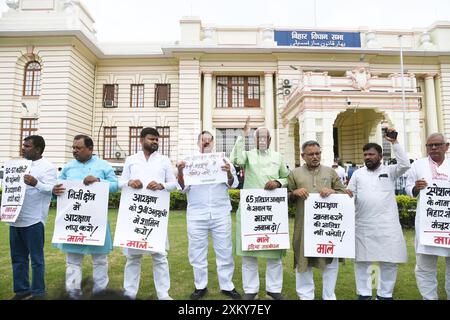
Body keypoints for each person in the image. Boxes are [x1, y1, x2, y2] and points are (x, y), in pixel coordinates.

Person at [230, 117, 290, 300]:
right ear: (255, 140)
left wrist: (278, 182)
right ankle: (251, 290)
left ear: (270, 140)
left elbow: (288, 178)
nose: (262, 140)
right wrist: (244, 135)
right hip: (251, 211)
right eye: (258, 137)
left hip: (272, 213)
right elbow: (235, 159)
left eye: (265, 137)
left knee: (274, 253)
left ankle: (273, 290)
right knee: (249, 253)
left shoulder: (278, 157)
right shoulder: (248, 155)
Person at [176, 131, 241, 300]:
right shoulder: (189, 162)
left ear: (213, 143)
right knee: (197, 251)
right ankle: (200, 286)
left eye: (209, 141)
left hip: (220, 213)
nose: (206, 143)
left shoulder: (224, 160)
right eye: (203, 140)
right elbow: (182, 188)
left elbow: (233, 184)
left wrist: (228, 172)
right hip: (197, 214)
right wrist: (181, 172)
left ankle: (227, 286)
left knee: (225, 250)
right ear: (198, 143)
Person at [346, 129, 410, 300]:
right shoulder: (357, 174)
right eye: (365, 154)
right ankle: (365, 295)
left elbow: (405, 164)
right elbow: (349, 195)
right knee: (363, 262)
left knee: (388, 261)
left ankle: (385, 295)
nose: (368, 157)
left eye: (371, 154)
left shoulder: (390, 171)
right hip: (363, 225)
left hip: (387, 225)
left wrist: (394, 143)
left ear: (380, 156)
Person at [52, 135, 118, 299]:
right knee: (73, 261)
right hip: (74, 223)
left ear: (90, 149)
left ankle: (100, 293)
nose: (74, 151)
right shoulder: (67, 167)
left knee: (100, 260)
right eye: (73, 148)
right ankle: (74, 294)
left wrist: (98, 180)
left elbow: (115, 186)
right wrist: (55, 190)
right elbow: (57, 190)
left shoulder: (103, 165)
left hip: (96, 222)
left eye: (78, 148)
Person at [119, 127, 178, 300]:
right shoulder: (131, 160)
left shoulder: (164, 160)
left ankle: (163, 294)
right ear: (142, 140)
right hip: (135, 215)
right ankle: (129, 293)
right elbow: (120, 182)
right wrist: (129, 182)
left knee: (159, 256)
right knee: (133, 257)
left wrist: (162, 185)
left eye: (157, 140)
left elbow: (174, 184)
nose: (155, 142)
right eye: (151, 139)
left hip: (155, 215)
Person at [287, 140, 347, 300]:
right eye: (311, 154)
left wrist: (333, 191)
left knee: (330, 260)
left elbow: (345, 194)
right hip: (304, 227)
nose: (315, 157)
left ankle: (329, 296)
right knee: (303, 261)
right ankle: (306, 296)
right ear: (303, 156)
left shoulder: (330, 172)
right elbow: (284, 198)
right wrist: (294, 193)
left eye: (317, 153)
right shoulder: (295, 174)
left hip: (328, 227)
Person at [8, 135, 57, 300]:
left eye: (27, 146)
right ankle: (22, 290)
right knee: (18, 258)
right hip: (15, 219)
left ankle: (38, 292)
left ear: (38, 149)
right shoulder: (18, 165)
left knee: (36, 259)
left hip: (34, 220)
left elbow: (52, 190)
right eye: (23, 145)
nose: (23, 148)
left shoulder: (48, 167)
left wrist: (36, 182)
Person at [405, 133, 450, 300]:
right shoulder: (418, 165)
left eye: (437, 144)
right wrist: (416, 188)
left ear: (447, 146)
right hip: (427, 227)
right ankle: (429, 298)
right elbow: (409, 189)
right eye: (429, 145)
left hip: (447, 226)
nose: (433, 148)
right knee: (424, 267)